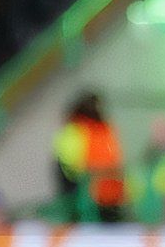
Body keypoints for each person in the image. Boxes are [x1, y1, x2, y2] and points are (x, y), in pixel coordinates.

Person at [53, 91, 127, 221]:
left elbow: (114, 158)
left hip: (108, 193)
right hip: (88, 193)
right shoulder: (78, 129)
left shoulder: (103, 128)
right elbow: (71, 165)